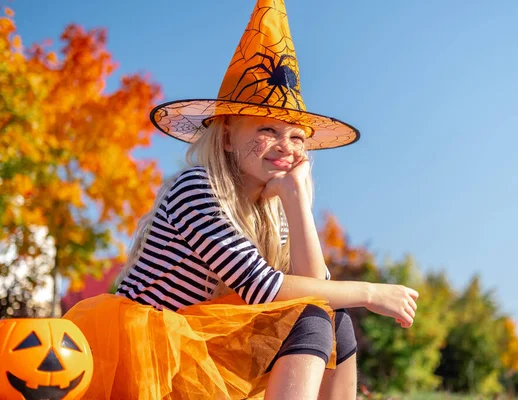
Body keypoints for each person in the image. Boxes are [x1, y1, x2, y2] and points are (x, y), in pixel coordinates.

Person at [63, 1, 419, 399]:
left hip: (199, 351)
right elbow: (263, 288)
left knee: (334, 319)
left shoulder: (271, 209)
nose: (285, 146)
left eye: (296, 137)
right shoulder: (199, 189)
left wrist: (296, 197)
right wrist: (373, 293)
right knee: (312, 314)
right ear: (229, 137)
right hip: (149, 356)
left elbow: (316, 288)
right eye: (267, 129)